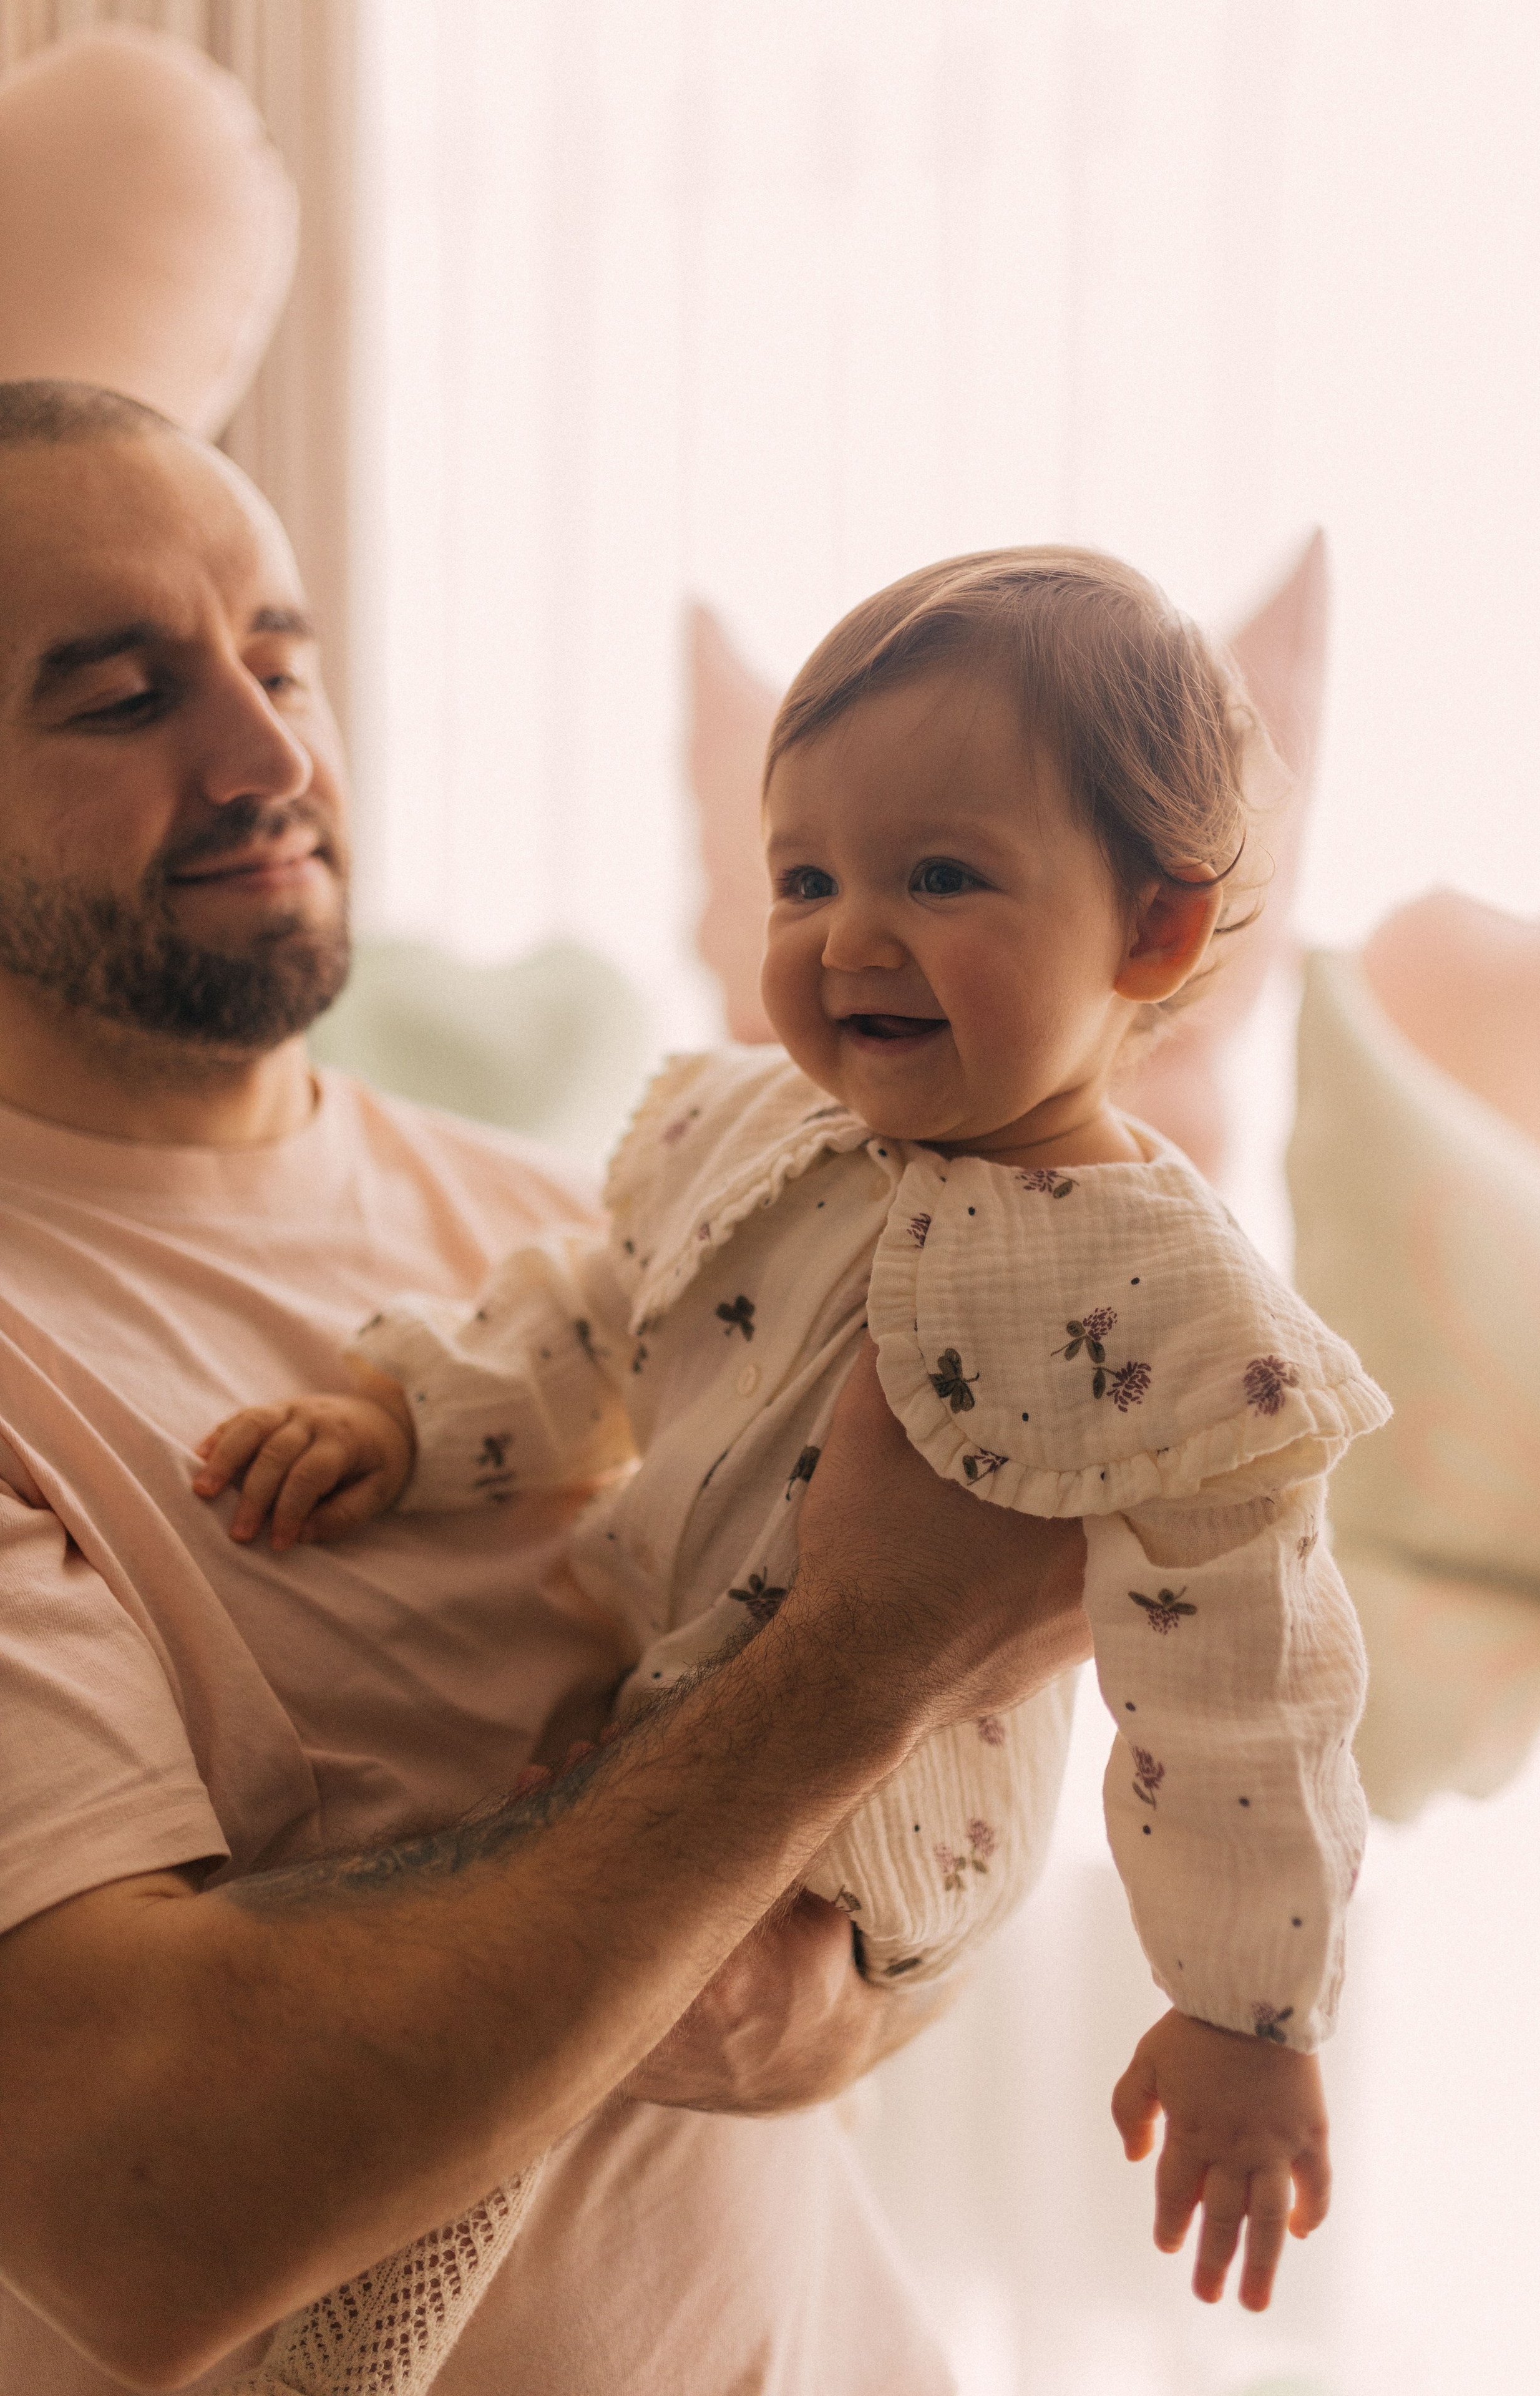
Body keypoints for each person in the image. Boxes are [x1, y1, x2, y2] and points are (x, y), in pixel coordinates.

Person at [0, 381, 1095, 2396]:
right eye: (120, 696)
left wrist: (809, 2000)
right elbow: (136, 2206)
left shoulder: (589, 1224)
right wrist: (868, 1661)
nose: (267, 753)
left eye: (278, 657)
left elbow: (891, 1890)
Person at [208, 548, 1387, 2340]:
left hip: (884, 1815)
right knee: (452, 1976)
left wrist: (1246, 2015)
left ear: (1154, 927)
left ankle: (339, 2350)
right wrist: (407, 1414)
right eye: (806, 877)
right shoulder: (758, 1122)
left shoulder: (1169, 1306)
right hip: (671, 1703)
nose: (851, 937)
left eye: (941, 876)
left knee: (538, 2038)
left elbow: (1250, 1686)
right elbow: (601, 1307)